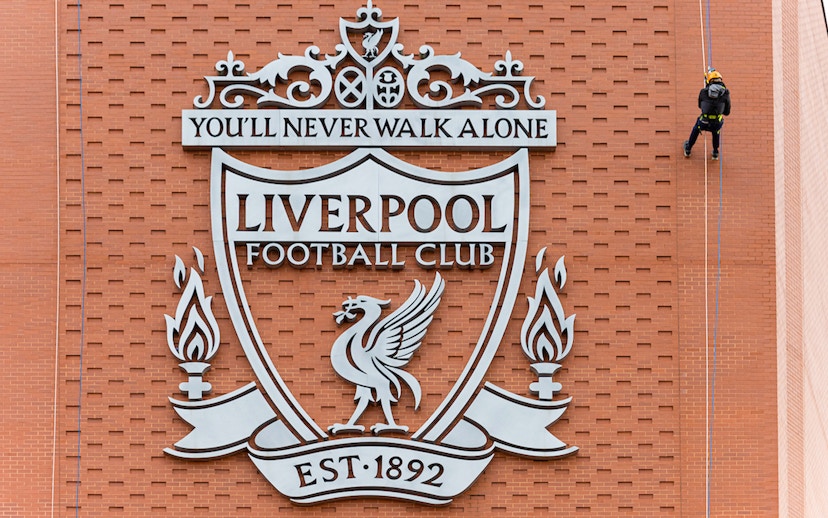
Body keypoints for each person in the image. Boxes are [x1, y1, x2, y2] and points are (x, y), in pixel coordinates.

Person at [683, 69, 731, 160]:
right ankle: (715, 152)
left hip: (704, 121)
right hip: (716, 122)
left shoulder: (703, 92)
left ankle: (688, 149)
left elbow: (700, 106)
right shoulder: (725, 93)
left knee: (696, 128)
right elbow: (727, 112)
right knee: (716, 132)